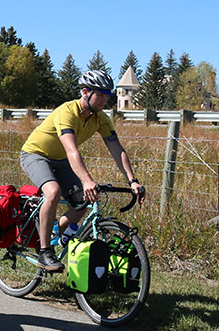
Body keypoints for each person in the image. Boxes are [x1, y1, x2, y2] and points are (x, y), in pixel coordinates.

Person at [20, 69, 146, 271]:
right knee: (52, 192)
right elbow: (72, 151)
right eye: (101, 95)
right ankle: (44, 252)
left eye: (107, 96)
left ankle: (53, 234)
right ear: (86, 92)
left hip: (60, 159)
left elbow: (116, 149)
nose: (105, 100)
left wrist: (133, 180)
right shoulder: (67, 112)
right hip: (36, 154)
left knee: (84, 201)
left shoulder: (101, 118)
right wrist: (87, 180)